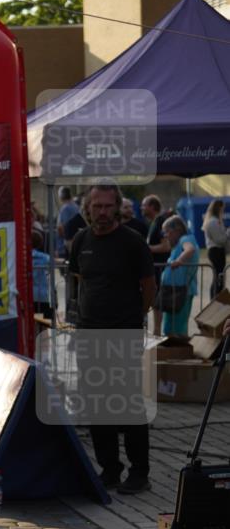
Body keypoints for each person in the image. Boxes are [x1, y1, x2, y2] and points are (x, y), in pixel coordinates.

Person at [68, 181, 156, 494]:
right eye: (97, 206)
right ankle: (109, 469)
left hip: (123, 335)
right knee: (97, 404)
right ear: (88, 208)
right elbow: (81, 280)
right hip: (89, 334)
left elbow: (149, 286)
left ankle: (139, 472)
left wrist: (134, 318)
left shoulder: (132, 242)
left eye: (108, 206)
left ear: (117, 207)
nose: (103, 212)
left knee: (128, 404)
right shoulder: (81, 240)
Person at [160, 215, 200, 337]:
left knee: (178, 328)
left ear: (177, 230)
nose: (165, 235)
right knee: (171, 326)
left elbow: (190, 249)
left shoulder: (185, 239)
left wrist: (178, 261)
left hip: (182, 291)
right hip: (174, 291)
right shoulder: (179, 242)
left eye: (167, 231)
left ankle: (179, 347)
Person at [141, 194, 170, 336]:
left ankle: (157, 331)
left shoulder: (161, 221)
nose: (141, 208)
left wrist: (146, 248)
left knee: (158, 302)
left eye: (144, 205)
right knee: (155, 302)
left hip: (161, 269)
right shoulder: (153, 222)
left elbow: (166, 246)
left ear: (152, 206)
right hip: (155, 269)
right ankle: (156, 331)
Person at [202, 198, 228, 298]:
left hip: (217, 251)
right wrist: (228, 234)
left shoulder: (215, 221)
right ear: (218, 208)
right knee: (218, 277)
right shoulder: (213, 222)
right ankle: (215, 299)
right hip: (216, 251)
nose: (223, 211)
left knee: (219, 276)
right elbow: (220, 239)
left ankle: (218, 298)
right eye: (222, 209)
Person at [32, 230, 53, 322]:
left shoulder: (21, 257)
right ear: (40, 243)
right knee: (46, 322)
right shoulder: (45, 257)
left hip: (28, 296)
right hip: (43, 296)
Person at [56, 186, 79, 258]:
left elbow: (62, 228)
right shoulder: (76, 207)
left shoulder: (65, 209)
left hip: (64, 246)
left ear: (61, 196)